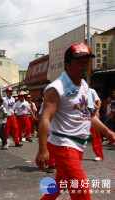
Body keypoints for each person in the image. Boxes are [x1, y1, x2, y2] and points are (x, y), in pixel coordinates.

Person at [35, 42, 115, 199]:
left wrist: (108, 132)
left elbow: (89, 116)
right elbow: (45, 118)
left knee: (60, 184)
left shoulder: (84, 86)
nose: (84, 66)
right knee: (81, 192)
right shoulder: (56, 88)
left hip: (78, 145)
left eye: (86, 62)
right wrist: (42, 150)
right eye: (79, 62)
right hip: (63, 144)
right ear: (67, 64)